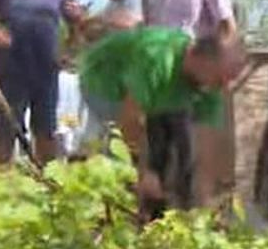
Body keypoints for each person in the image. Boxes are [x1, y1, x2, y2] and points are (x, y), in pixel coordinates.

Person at [76, 26, 247, 219]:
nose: (225, 86)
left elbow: (206, 151)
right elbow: (129, 122)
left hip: (153, 96)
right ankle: (112, 218)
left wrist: (206, 207)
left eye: (230, 79)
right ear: (203, 60)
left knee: (173, 155)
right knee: (119, 165)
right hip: (104, 86)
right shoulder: (156, 57)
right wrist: (144, 172)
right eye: (221, 78)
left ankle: (153, 213)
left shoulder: (212, 83)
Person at [141, 0, 239, 206]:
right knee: (157, 145)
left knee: (187, 143)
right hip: (159, 68)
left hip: (190, 66)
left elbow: (226, 23)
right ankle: (156, 217)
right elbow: (148, 22)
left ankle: (186, 214)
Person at [0, 0, 87, 164]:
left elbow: (76, 20)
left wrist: (69, 48)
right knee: (8, 127)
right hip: (12, 67)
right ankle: (1, 180)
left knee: (46, 128)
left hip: (46, 68)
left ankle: (46, 178)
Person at [74, 0, 145, 149]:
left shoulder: (138, 1)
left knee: (133, 134)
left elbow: (133, 25)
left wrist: (100, 20)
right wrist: (83, 26)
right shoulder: (110, 7)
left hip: (133, 84)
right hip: (108, 88)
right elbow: (98, 35)